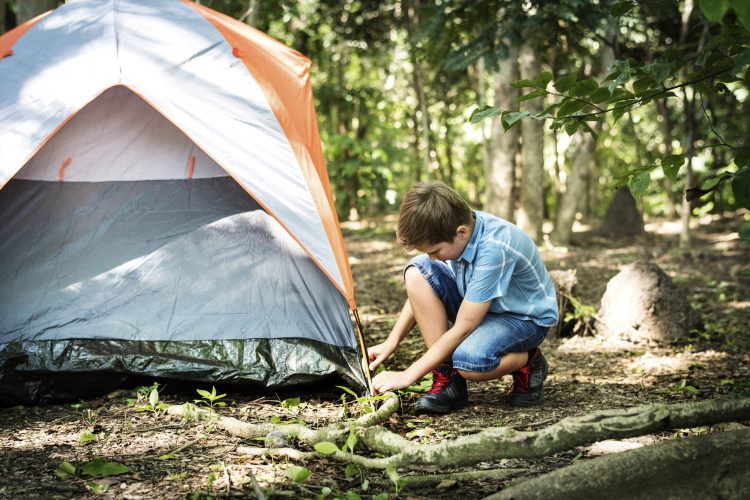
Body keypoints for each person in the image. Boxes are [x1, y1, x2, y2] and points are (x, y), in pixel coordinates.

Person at [367, 181, 558, 413]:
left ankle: (529, 361)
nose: (434, 258)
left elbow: (464, 327)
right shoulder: (460, 230)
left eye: (435, 251)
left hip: (522, 319)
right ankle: (448, 380)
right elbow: (422, 292)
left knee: (470, 362)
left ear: (461, 233)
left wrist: (408, 376)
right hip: (482, 306)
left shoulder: (493, 248)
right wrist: (392, 341)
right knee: (418, 272)